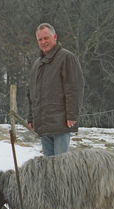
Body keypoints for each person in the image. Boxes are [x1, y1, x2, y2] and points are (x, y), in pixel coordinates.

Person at [27, 23, 84, 156]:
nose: (43, 42)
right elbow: (31, 93)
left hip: (61, 122)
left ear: (55, 37)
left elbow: (74, 88)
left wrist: (72, 114)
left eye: (46, 38)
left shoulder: (66, 58)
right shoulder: (37, 64)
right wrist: (31, 117)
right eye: (40, 40)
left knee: (61, 165)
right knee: (48, 165)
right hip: (43, 124)